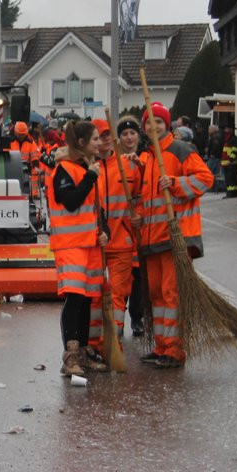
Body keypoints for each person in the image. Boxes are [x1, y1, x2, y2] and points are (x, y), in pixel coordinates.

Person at [137, 102, 214, 369]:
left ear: (167, 125)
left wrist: (177, 183)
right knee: (157, 295)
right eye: (149, 122)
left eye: (158, 122)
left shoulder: (179, 150)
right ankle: (161, 346)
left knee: (171, 295)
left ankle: (174, 350)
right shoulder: (146, 156)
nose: (153, 127)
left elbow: (205, 179)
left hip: (175, 237)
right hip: (152, 239)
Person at [47, 120, 107, 376]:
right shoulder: (65, 169)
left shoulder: (88, 168)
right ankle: (70, 356)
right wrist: (90, 177)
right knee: (74, 299)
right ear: (82, 144)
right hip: (71, 245)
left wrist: (105, 232)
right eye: (95, 139)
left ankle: (83, 352)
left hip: (90, 244)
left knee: (85, 301)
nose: (100, 143)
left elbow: (95, 208)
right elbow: (71, 201)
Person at [92, 118, 141, 362]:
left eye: (107, 135)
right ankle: (94, 346)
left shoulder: (128, 166)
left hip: (121, 243)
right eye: (99, 136)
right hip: (95, 245)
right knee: (95, 298)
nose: (104, 140)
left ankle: (113, 344)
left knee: (119, 295)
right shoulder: (88, 169)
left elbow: (141, 196)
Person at [116, 116, 147, 337]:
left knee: (139, 275)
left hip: (143, 225)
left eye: (132, 133)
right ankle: (120, 317)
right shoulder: (116, 161)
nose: (129, 137)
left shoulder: (146, 158)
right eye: (125, 134)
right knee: (124, 276)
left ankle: (138, 318)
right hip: (122, 227)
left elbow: (149, 189)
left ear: (138, 135)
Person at [9, 121, 41, 199]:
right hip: (13, 166)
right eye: (20, 135)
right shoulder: (10, 141)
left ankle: (34, 194)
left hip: (26, 167)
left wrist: (36, 166)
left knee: (35, 172)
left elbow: (34, 156)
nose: (21, 136)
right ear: (16, 133)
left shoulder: (30, 142)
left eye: (23, 135)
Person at [221, 126, 237, 198]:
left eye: (227, 128)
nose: (225, 130)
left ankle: (232, 194)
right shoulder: (227, 139)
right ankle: (229, 193)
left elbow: (235, 151)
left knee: (232, 179)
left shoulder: (234, 139)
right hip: (226, 163)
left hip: (231, 163)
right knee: (228, 179)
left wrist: (230, 160)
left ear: (231, 130)